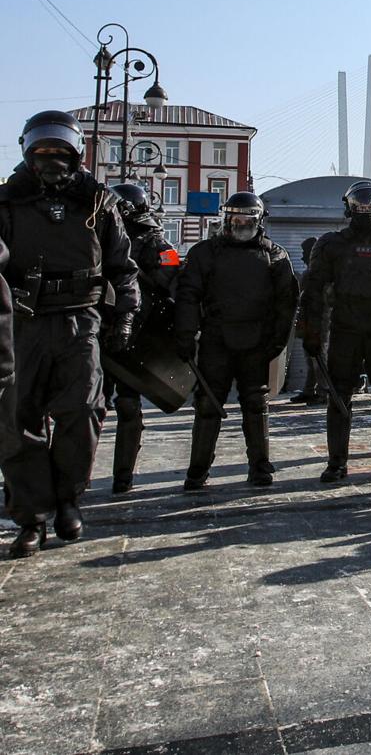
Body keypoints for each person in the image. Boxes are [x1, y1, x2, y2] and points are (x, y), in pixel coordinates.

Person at [0, 111, 139, 557]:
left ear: (76, 153)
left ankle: (67, 501)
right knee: (18, 420)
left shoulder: (98, 201)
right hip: (23, 322)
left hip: (81, 320)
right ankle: (31, 517)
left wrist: (126, 316)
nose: (51, 159)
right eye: (42, 151)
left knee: (83, 412)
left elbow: (123, 265)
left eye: (59, 150)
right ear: (27, 152)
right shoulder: (7, 202)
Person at [175, 192, 296, 489]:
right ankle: (198, 469)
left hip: (256, 341)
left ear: (258, 221)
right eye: (235, 219)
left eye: (247, 219)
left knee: (255, 404)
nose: (241, 224)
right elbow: (188, 295)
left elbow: (287, 302)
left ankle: (259, 467)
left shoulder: (275, 255)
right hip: (217, 338)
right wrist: (186, 334)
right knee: (207, 404)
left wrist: (278, 341)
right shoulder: (204, 252)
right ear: (226, 220)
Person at [299, 181, 371, 483]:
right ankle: (337, 462)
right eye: (359, 205)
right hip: (346, 328)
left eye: (369, 205)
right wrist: (310, 331)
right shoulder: (332, 244)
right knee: (339, 397)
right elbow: (312, 290)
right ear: (350, 206)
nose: (364, 210)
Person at [106, 182, 181, 493]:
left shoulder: (160, 247)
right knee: (97, 406)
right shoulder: (101, 236)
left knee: (124, 404)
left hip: (133, 332)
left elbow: (171, 282)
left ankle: (122, 475)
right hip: (108, 328)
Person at [290, 236, 326, 406]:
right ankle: (309, 390)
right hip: (308, 317)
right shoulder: (309, 273)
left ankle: (322, 391)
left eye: (306, 252)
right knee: (310, 358)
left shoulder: (320, 273)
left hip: (320, 320)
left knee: (318, 358)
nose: (303, 256)